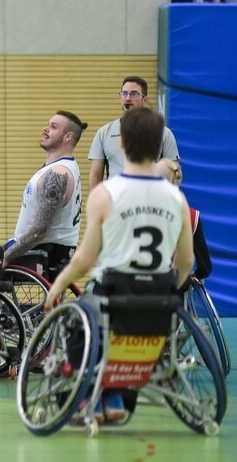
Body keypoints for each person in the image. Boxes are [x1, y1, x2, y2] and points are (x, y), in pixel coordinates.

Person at [45, 107, 194, 423]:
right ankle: (115, 396)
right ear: (158, 147)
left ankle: (90, 399)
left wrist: (57, 285)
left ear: (121, 144)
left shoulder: (105, 194)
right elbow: (186, 262)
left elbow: (85, 259)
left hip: (112, 293)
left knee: (78, 319)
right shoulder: (177, 199)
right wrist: (162, 292)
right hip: (158, 298)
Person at [4, 111, 89, 278]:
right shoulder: (66, 166)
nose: (46, 129)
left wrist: (6, 258)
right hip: (50, 249)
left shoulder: (57, 173)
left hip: (44, 252)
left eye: (53, 127)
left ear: (67, 137)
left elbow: (39, 231)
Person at [88, 76, 180, 190]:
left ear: (145, 100)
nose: (127, 98)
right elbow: (95, 176)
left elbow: (173, 174)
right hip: (116, 202)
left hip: (150, 202)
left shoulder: (164, 133)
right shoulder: (103, 133)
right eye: (124, 93)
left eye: (134, 94)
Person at [155, 158, 212, 281]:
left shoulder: (140, 211)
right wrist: (193, 276)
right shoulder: (191, 216)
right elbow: (206, 268)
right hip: (175, 291)